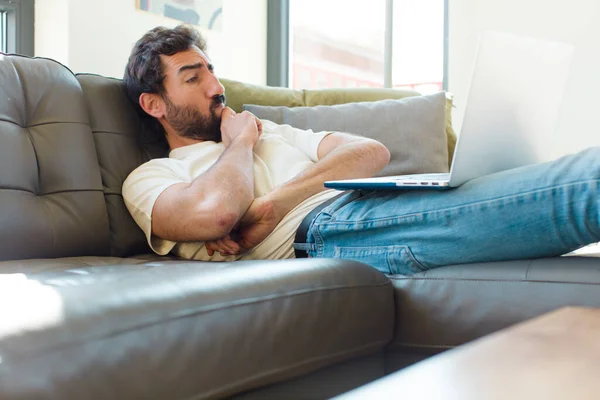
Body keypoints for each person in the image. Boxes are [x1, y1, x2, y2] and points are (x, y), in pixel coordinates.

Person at [122, 25, 600, 275]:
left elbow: (370, 152)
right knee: (580, 189)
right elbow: (215, 214)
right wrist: (241, 143)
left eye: (212, 70)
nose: (217, 86)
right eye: (193, 77)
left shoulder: (271, 132)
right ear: (153, 103)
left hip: (363, 203)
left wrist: (273, 203)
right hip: (328, 233)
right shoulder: (152, 178)